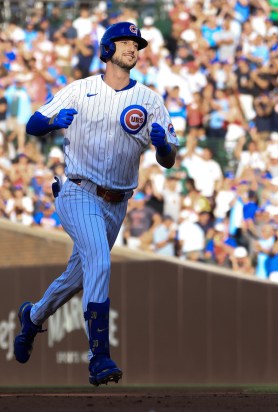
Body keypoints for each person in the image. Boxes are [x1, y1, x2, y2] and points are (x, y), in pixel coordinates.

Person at [13, 22, 178, 387]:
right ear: (106, 49)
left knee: (77, 278)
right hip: (77, 190)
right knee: (100, 261)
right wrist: (55, 121)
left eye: (136, 43)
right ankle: (99, 356)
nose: (132, 47)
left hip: (117, 202)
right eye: (124, 41)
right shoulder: (81, 89)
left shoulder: (149, 100)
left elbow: (169, 158)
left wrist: (163, 147)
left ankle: (34, 316)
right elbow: (32, 123)